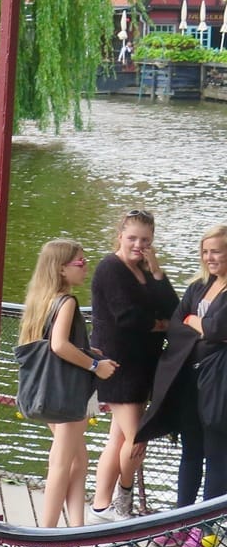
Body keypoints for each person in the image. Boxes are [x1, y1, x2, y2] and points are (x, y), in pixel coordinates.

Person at [137, 225, 227, 547]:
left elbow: (217, 328)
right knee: (191, 451)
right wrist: (201, 327)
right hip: (190, 379)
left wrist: (197, 323)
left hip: (220, 382)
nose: (209, 257)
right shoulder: (199, 286)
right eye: (205, 251)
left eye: (216, 251)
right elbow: (177, 325)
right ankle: (180, 522)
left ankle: (207, 530)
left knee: (217, 454)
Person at [17, 239, 115, 529]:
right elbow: (59, 345)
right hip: (67, 392)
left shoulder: (41, 299)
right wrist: (96, 365)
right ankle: (47, 534)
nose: (85, 267)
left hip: (46, 390)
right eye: (80, 262)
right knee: (61, 464)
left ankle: (76, 530)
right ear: (61, 268)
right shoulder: (67, 301)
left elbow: (48, 343)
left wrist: (87, 351)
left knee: (78, 461)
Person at [88, 210, 177, 521]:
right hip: (117, 364)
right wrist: (160, 325)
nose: (139, 245)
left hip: (143, 365)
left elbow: (173, 309)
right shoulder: (110, 268)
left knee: (118, 438)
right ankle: (123, 504)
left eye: (145, 240)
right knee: (137, 439)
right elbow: (126, 317)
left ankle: (100, 507)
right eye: (133, 238)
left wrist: (157, 272)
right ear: (120, 236)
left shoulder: (144, 269)